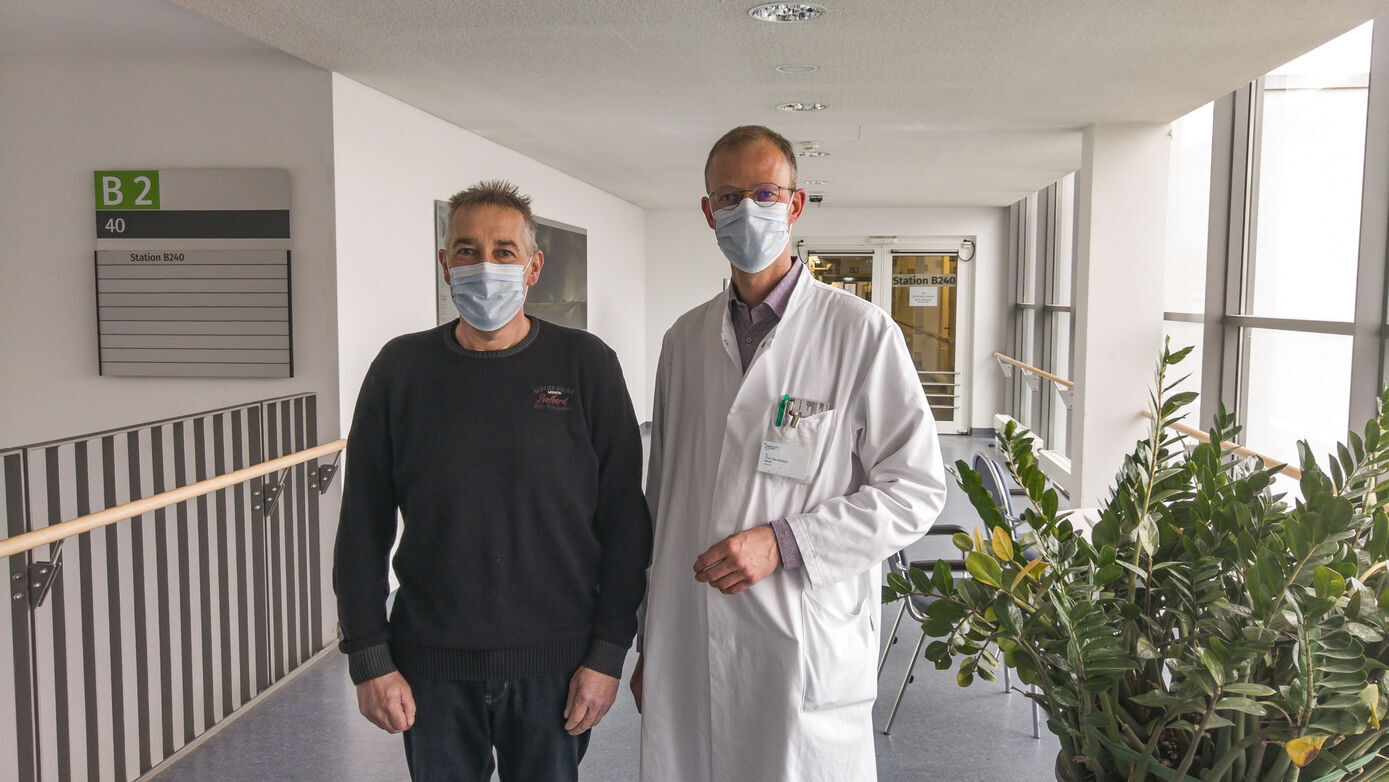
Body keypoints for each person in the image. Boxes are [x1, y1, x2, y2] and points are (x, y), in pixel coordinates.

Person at [634, 126, 948, 781]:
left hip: (801, 630)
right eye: (728, 196)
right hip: (687, 631)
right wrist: (650, 642)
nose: (746, 210)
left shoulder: (858, 332)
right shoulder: (683, 340)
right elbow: (660, 499)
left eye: (763, 193)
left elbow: (915, 488)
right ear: (707, 211)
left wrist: (784, 541)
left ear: (795, 204)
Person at [333, 180, 651, 782]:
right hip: (431, 666)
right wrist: (369, 657)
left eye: (504, 251)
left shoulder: (586, 366)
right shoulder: (401, 371)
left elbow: (625, 523)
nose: (485, 266)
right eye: (467, 250)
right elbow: (362, 528)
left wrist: (609, 654)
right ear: (444, 264)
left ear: (533, 267)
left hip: (555, 665)